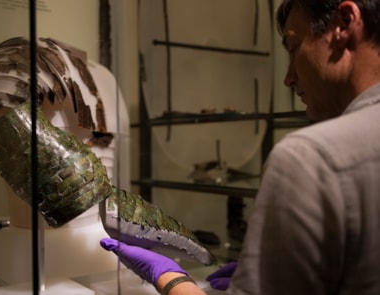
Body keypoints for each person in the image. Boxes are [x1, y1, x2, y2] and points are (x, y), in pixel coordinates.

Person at [100, 0, 380, 294]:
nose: (288, 78)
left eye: (294, 47)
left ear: (344, 24)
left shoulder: (311, 157)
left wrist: (169, 277)